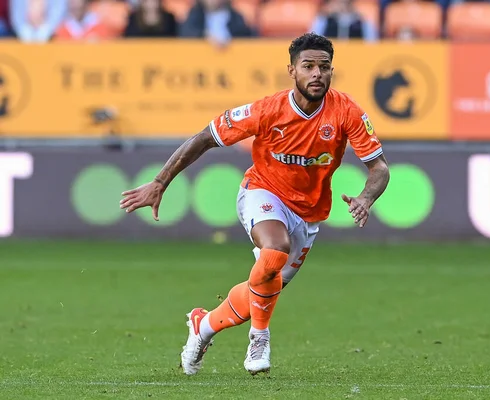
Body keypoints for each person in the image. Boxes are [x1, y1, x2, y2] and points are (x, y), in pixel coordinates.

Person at [119, 32, 390, 376]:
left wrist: (366, 198)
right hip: (262, 192)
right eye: (308, 66)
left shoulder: (347, 112)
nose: (317, 74)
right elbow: (205, 138)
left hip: (308, 214)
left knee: (262, 289)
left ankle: (203, 326)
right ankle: (259, 338)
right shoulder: (266, 110)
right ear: (292, 71)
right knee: (275, 249)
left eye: (324, 67)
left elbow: (379, 168)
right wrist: (160, 182)